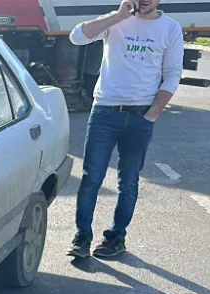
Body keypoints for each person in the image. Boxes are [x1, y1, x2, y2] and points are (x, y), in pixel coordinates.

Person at [67, 0, 183, 259]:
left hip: (141, 114)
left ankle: (116, 237)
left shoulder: (170, 28)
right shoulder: (116, 20)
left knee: (128, 181)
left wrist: (152, 114)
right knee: (91, 178)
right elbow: (77, 37)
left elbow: (173, 73)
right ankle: (82, 237)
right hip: (104, 111)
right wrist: (118, 16)